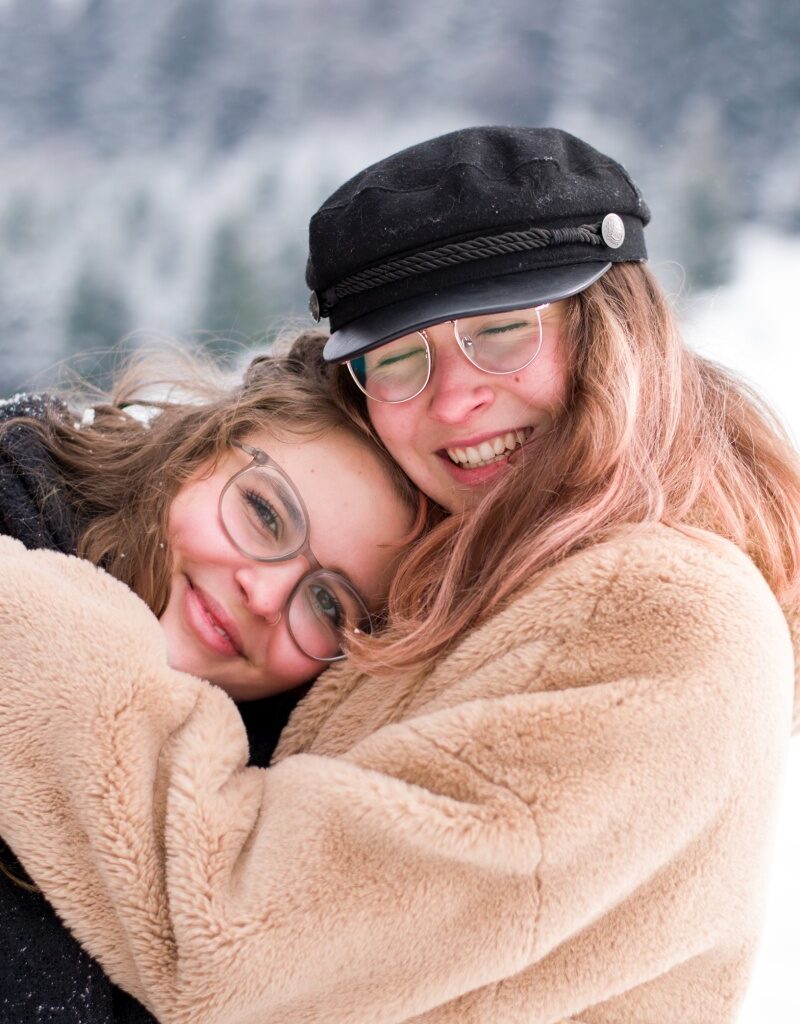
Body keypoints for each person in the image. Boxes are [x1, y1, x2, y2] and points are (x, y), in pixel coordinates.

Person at [0, 126, 799, 1024]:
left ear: (614, 332)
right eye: (401, 359)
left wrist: (23, 607)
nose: (454, 399)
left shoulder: (663, 617)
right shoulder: (479, 579)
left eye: (501, 331)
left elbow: (239, 935)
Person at [0, 338, 419, 1024]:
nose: (265, 595)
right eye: (265, 513)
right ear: (197, 449)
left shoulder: (255, 853)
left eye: (325, 605)